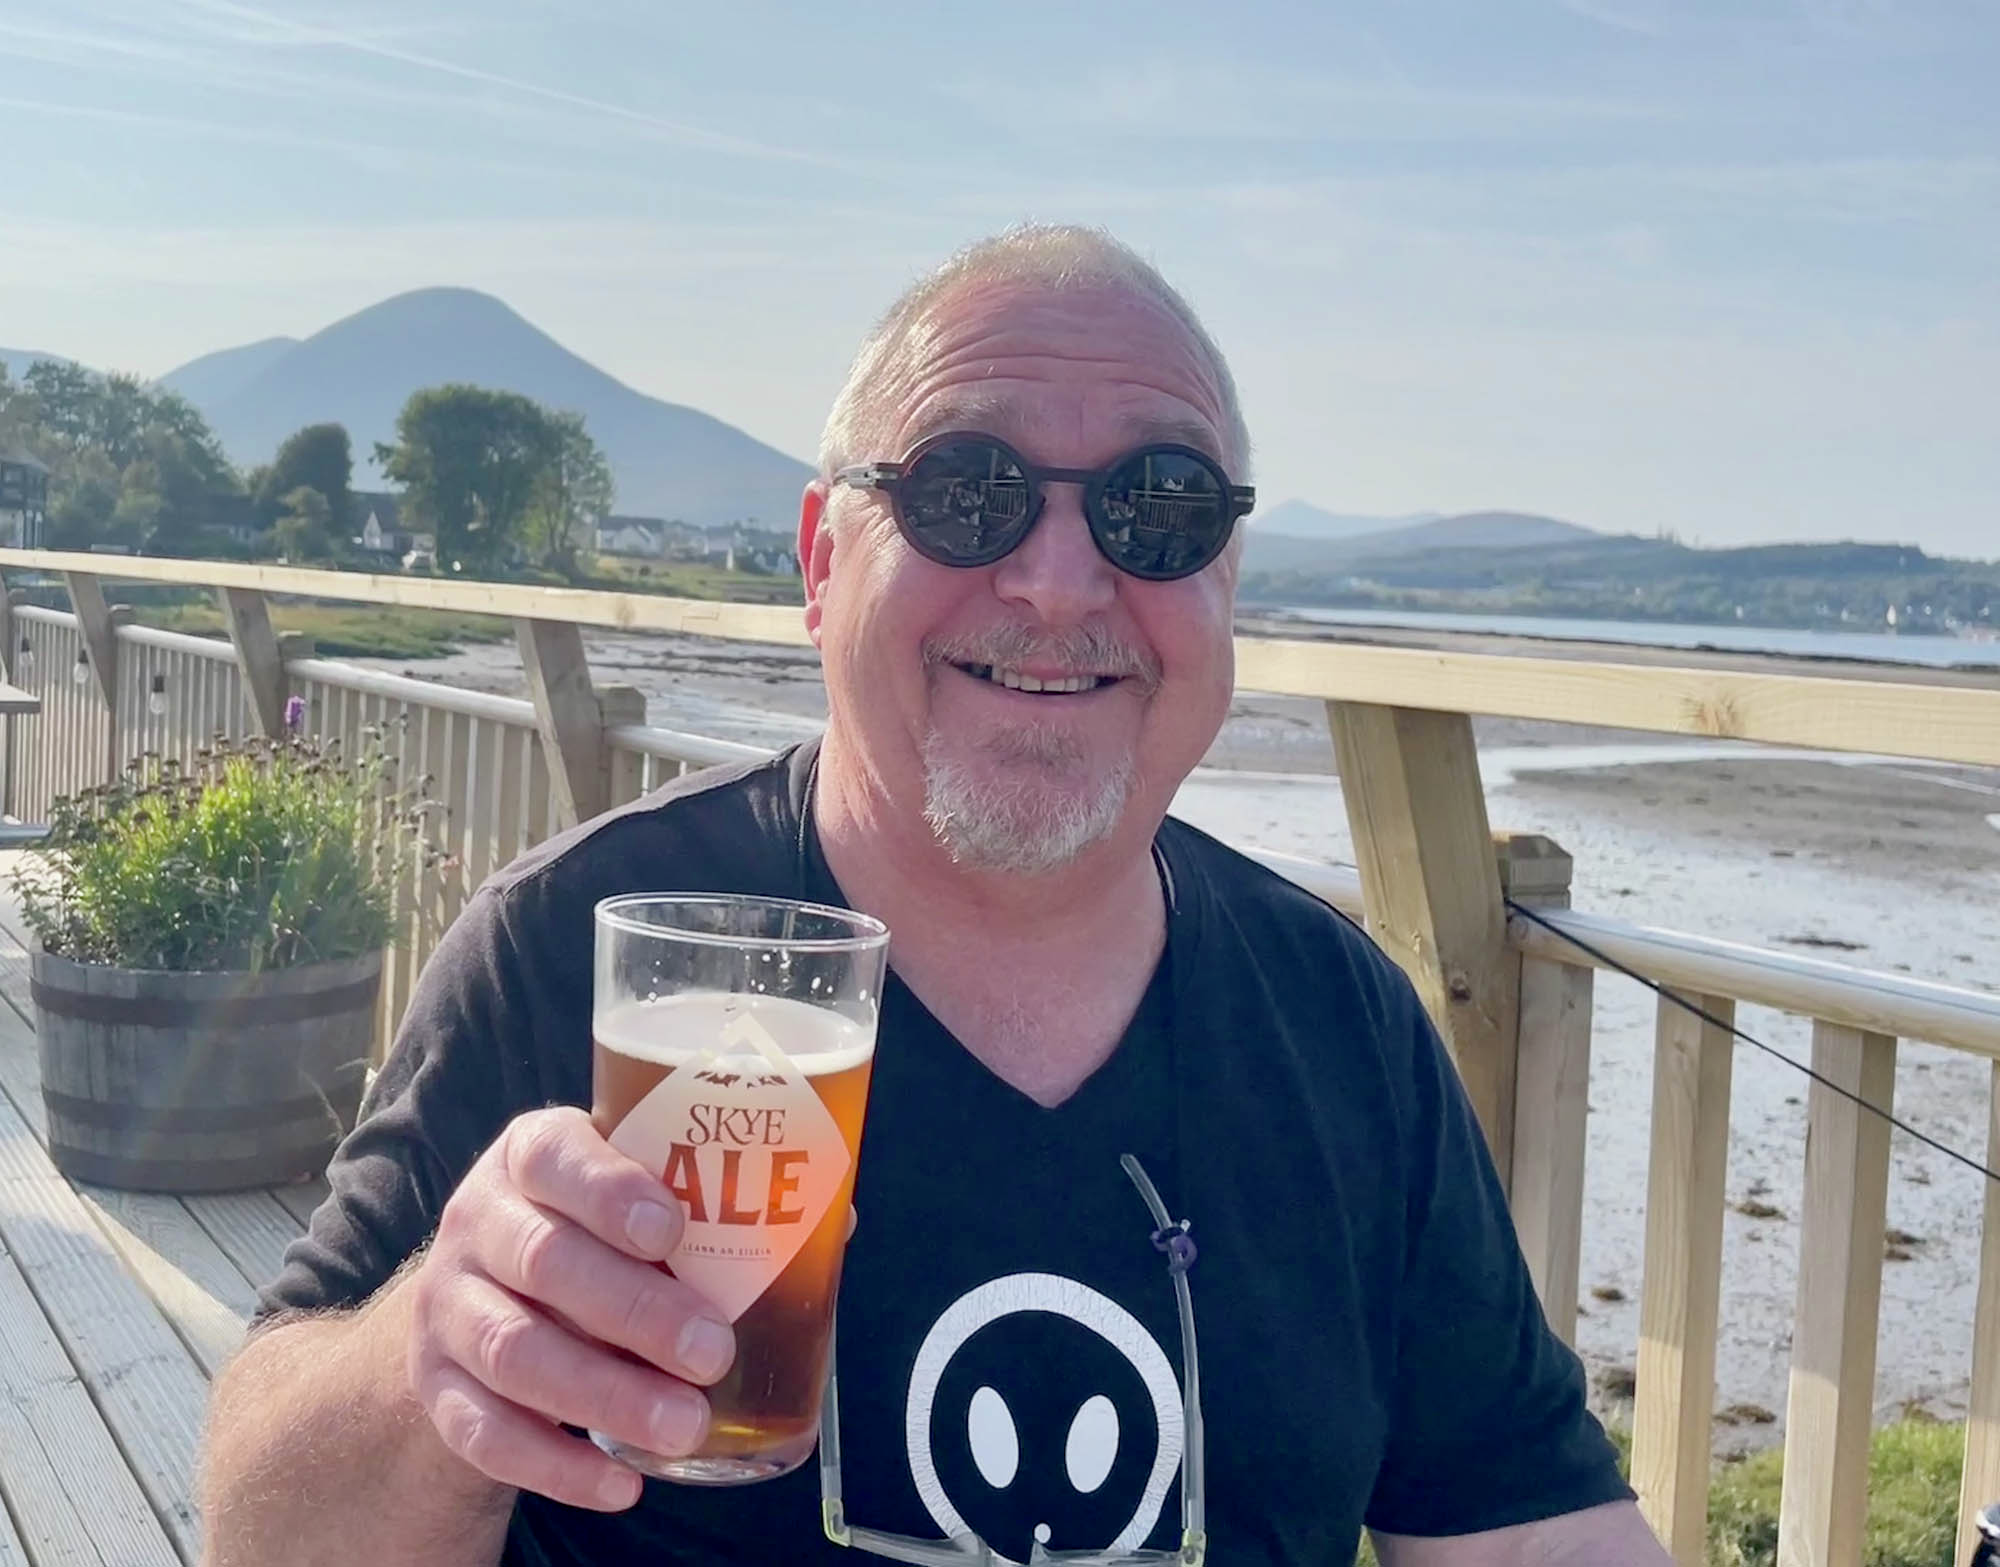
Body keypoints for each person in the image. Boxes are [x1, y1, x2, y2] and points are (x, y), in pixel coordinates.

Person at [199, 225, 1671, 1567]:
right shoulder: (583, 946)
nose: (1058, 581)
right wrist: (433, 1357)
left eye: (1156, 509)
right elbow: (261, 1530)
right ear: (821, 562)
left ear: (1226, 583)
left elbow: (1530, 1528)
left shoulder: (1342, 1024)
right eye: (968, 493)